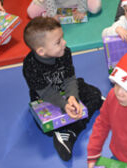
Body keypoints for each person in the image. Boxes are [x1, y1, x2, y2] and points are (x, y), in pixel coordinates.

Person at [22, 17, 103, 161]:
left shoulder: (64, 52)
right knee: (47, 128)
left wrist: (72, 97)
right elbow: (45, 92)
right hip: (44, 97)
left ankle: (71, 132)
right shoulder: (30, 65)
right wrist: (64, 105)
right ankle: (66, 130)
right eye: (58, 42)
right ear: (41, 51)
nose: (64, 43)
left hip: (65, 90)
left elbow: (70, 78)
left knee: (95, 94)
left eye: (62, 38)